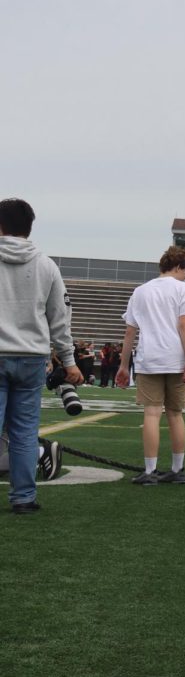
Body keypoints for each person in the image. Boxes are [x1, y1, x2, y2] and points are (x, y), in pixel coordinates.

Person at [0, 199, 81, 513]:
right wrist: (69, 362)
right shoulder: (47, 265)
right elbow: (60, 318)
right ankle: (23, 498)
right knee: (23, 432)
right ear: (28, 227)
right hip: (32, 356)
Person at [116, 246, 185, 485]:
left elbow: (130, 331)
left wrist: (124, 365)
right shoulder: (184, 289)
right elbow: (184, 325)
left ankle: (150, 471)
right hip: (176, 358)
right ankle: (177, 470)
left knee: (152, 414)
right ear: (178, 266)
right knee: (175, 414)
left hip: (149, 358)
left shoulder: (141, 291)